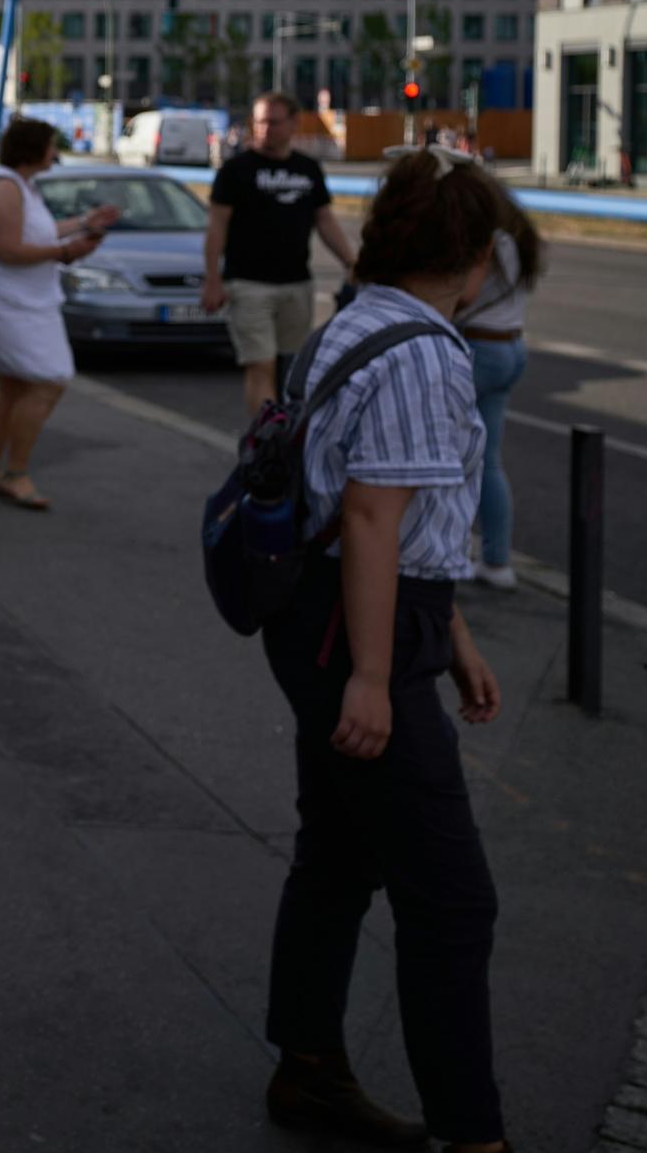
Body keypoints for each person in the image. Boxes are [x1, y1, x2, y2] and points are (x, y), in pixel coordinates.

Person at [256, 149, 510, 1153]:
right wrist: (375, 674)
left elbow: (386, 517)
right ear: (476, 259)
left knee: (337, 854)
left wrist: (453, 634)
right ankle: (473, 1135)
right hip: (359, 634)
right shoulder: (425, 354)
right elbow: (370, 516)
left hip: (330, 615)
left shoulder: (353, 323)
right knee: (452, 902)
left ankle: (308, 1066)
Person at [0, 117, 119, 510]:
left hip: (22, 302)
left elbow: (35, 234)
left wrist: (83, 224)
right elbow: (9, 250)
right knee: (51, 379)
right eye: (51, 145)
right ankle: (15, 473)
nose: (55, 152)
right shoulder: (4, 188)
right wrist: (66, 252)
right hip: (6, 303)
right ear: (32, 149)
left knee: (13, 388)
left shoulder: (21, 186)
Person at [202, 92, 359, 422]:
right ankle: (266, 438)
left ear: (293, 124)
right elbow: (217, 227)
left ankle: (286, 431)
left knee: (291, 366)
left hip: (296, 283)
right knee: (260, 364)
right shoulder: (236, 170)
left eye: (273, 122)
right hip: (248, 283)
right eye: (259, 122)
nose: (265, 129)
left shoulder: (307, 169)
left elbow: (325, 220)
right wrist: (212, 279)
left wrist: (350, 262)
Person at [457, 180, 542, 593]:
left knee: (448, 458)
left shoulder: (486, 240)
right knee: (488, 461)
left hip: (479, 347)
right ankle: (497, 560)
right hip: (511, 346)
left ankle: (450, 556)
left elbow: (463, 294)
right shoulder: (519, 237)